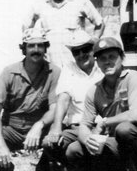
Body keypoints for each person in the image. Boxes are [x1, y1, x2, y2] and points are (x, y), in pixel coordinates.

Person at [66, 37, 137, 171]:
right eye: (102, 59)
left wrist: (105, 122)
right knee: (74, 149)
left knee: (124, 129)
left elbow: (135, 115)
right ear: (97, 63)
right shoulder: (94, 90)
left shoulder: (133, 78)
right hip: (112, 140)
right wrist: (88, 140)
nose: (107, 62)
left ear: (122, 58)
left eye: (112, 57)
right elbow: (84, 125)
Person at [0, 29, 61, 171]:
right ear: (23, 49)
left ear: (45, 48)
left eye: (40, 45)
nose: (36, 50)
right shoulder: (9, 72)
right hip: (12, 129)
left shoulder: (54, 72)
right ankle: (3, 162)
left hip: (40, 131)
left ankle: (45, 165)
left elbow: (55, 107)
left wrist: (39, 125)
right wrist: (0, 144)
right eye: (31, 46)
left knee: (58, 141)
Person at [38, 30, 104, 170]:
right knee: (48, 143)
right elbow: (63, 99)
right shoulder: (69, 69)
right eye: (76, 52)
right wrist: (56, 128)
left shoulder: (103, 67)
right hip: (76, 127)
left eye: (85, 49)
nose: (81, 55)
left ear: (93, 49)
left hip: (101, 127)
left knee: (75, 150)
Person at [22, 0, 105, 68]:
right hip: (50, 64)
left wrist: (93, 41)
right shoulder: (39, 4)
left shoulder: (80, 1)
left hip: (76, 63)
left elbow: (100, 23)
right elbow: (26, 29)